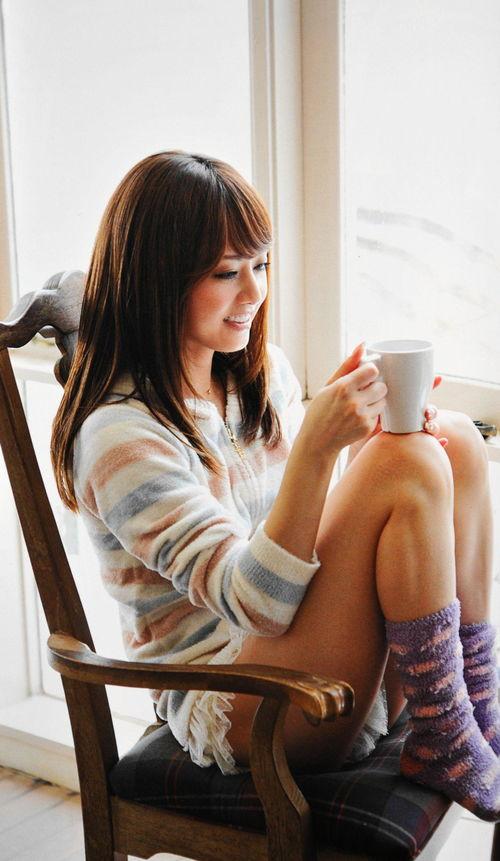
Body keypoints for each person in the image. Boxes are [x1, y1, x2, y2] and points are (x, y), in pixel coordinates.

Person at [51, 150, 500, 822]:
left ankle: (475, 707)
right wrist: (322, 446)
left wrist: (355, 440)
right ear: (157, 282)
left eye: (259, 266)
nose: (254, 292)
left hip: (305, 652)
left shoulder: (254, 375)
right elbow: (255, 604)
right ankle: (444, 734)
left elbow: (297, 538)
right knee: (402, 462)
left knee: (454, 438)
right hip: (242, 702)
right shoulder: (120, 437)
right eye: (225, 272)